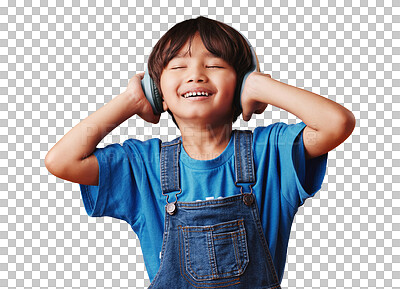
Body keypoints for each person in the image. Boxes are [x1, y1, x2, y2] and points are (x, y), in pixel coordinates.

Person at [45, 16, 355, 288]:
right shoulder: (143, 166)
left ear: (242, 83)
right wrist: (130, 101)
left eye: (215, 65)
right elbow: (61, 160)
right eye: (179, 66)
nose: (196, 75)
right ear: (158, 91)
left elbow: (336, 123)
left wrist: (264, 88)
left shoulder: (270, 153)